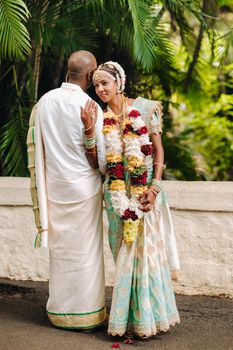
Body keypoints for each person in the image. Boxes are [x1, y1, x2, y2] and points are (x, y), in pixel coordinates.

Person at [90, 61, 180, 339]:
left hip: (144, 193)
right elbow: (100, 164)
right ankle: (125, 318)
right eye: (96, 85)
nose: (100, 89)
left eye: (105, 83)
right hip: (115, 193)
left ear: (119, 83)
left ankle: (144, 319)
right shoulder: (98, 118)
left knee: (144, 255)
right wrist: (87, 133)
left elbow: (159, 151)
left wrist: (154, 188)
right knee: (122, 254)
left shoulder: (146, 109)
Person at [26, 50, 107, 330]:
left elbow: (40, 149)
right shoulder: (89, 106)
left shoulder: (45, 101)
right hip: (84, 190)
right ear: (89, 75)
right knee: (86, 253)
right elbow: (102, 161)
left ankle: (60, 311)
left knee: (62, 254)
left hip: (55, 189)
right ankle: (87, 313)